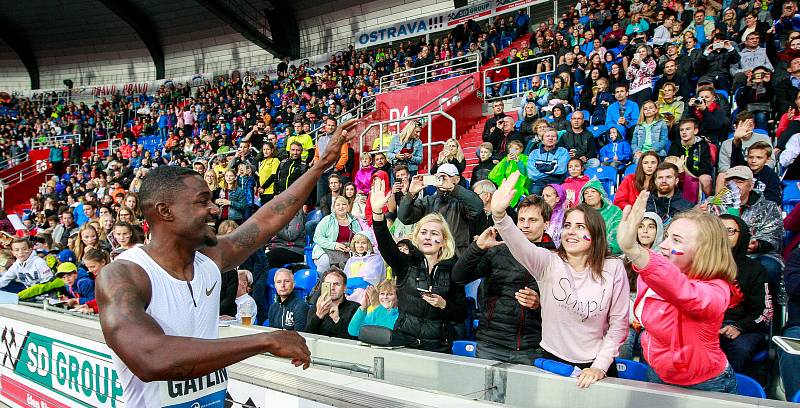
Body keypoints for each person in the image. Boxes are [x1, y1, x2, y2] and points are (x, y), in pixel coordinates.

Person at [95, 119, 356, 407]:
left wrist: (321, 166)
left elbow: (267, 218)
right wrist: (264, 341)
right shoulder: (124, 275)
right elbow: (151, 358)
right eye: (201, 201)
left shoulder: (209, 260)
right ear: (164, 211)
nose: (214, 208)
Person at [490, 172, 628, 387]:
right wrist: (499, 215)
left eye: (580, 227)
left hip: (597, 365)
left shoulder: (614, 267)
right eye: (567, 225)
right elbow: (519, 244)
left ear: (597, 233)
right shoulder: (548, 262)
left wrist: (599, 366)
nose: (571, 232)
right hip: (554, 361)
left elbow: (619, 324)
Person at [618, 193, 739, 394]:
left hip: (706, 385)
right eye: (666, 237)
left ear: (704, 250)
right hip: (657, 373)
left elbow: (685, 293)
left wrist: (635, 251)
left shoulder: (716, 290)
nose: (664, 245)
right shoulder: (657, 274)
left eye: (676, 240)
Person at [453, 195, 553, 364]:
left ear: (547, 224)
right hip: (490, 344)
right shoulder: (499, 249)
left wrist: (539, 305)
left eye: (533, 220)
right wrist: (477, 248)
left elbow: (563, 307)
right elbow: (458, 277)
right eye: (522, 219)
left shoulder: (555, 258)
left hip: (531, 348)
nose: (526, 225)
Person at [372, 180, 468, 353]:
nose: (428, 237)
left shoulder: (453, 269)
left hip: (437, 346)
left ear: (443, 241)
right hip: (403, 342)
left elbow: (461, 314)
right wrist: (378, 213)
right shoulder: (406, 263)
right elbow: (385, 245)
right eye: (423, 232)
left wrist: (443, 304)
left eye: (434, 234)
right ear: (417, 237)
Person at [718, 215, 772, 373]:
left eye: (730, 231)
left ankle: (729, 394)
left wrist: (739, 326)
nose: (723, 235)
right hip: (708, 324)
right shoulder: (701, 264)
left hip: (744, 327)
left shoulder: (755, 269)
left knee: (740, 349)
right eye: (719, 230)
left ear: (741, 235)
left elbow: (764, 311)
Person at [398, 163, 483, 256]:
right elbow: (404, 217)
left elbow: (477, 207)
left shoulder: (462, 201)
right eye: (439, 177)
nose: (442, 180)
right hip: (432, 255)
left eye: (445, 177)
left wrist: (453, 189)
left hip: (456, 256)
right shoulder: (428, 200)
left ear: (457, 179)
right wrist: (410, 194)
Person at [312, 195, 361, 274]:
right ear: (334, 207)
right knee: (324, 261)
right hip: (325, 250)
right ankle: (322, 284)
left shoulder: (354, 221)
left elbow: (359, 238)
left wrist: (352, 247)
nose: (341, 207)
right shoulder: (327, 220)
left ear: (348, 206)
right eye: (338, 205)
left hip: (347, 251)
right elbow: (317, 238)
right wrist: (334, 245)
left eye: (344, 204)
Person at [306, 268, 360, 339]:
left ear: (345, 288)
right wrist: (318, 316)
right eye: (328, 284)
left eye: (336, 284)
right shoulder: (316, 308)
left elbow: (354, 340)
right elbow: (307, 338)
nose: (332, 288)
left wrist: (337, 320)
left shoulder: (355, 308)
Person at [580, 179, 623, 254]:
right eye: (586, 193)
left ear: (601, 194)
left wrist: (606, 250)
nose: (589, 195)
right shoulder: (580, 213)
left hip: (611, 253)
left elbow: (619, 235)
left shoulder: (614, 211)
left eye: (593, 191)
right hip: (586, 253)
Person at [527, 128, 569, 196]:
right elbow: (532, 175)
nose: (550, 138)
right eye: (547, 136)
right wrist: (551, 169)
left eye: (553, 136)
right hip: (539, 182)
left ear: (557, 139)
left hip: (557, 182)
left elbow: (561, 170)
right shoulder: (534, 153)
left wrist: (541, 168)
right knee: (534, 194)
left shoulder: (563, 151)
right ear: (542, 139)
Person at [488, 140, 529, 207]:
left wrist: (518, 162)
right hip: (507, 184)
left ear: (521, 150)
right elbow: (497, 173)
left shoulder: (525, 158)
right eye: (513, 149)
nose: (515, 151)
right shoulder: (505, 159)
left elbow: (525, 172)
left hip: (520, 184)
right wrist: (506, 162)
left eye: (517, 149)